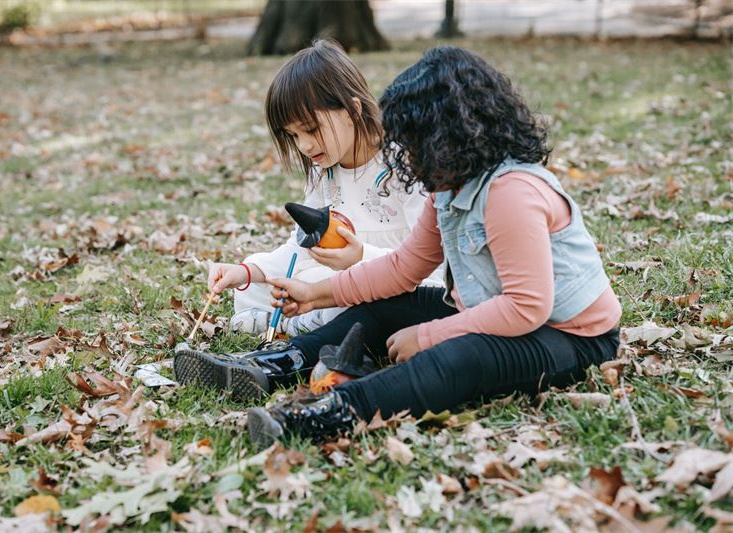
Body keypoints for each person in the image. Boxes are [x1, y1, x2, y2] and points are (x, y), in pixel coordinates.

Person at [242, 45, 623, 448]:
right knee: (383, 306)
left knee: (457, 359)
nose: (404, 158)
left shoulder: (512, 192)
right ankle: (273, 365)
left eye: (412, 144)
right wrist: (317, 294)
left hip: (571, 337)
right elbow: (403, 268)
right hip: (488, 312)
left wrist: (429, 336)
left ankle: (328, 414)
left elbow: (525, 307)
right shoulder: (446, 188)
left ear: (451, 135)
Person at [173, 41, 440, 397]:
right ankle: (284, 332)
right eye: (293, 135)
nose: (304, 146)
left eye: (311, 129)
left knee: (337, 294)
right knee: (262, 290)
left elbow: (432, 264)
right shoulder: (323, 170)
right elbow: (300, 247)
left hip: (408, 283)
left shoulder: (402, 164)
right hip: (343, 276)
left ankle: (288, 348)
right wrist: (247, 272)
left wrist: (360, 258)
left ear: (352, 109)